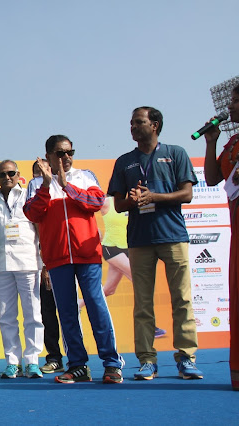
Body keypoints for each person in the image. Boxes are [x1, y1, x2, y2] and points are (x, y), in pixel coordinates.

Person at [108, 106, 202, 381]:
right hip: (139, 240)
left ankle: (186, 357)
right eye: (131, 123)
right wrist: (135, 200)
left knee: (182, 299)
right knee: (143, 303)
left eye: (139, 122)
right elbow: (118, 203)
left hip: (173, 236)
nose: (133, 127)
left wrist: (155, 197)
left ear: (155, 125)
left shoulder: (176, 153)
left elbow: (187, 194)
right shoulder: (125, 161)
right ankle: (147, 360)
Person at [25, 135, 123, 384]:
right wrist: (48, 185)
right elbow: (32, 213)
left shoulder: (85, 176)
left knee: (96, 306)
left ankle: (111, 363)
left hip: (87, 254)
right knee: (67, 312)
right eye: (60, 153)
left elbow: (98, 202)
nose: (66, 157)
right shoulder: (36, 183)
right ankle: (78, 365)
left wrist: (67, 185)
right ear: (47, 156)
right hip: (57, 257)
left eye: (69, 152)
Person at [0, 160, 44, 378]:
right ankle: (12, 361)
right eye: (2, 174)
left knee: (33, 314)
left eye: (11, 173)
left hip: (28, 263)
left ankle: (32, 360)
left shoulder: (29, 199)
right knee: (6, 317)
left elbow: (41, 232)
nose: (7, 177)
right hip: (1, 265)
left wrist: (46, 263)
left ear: (18, 175)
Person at [78, 196, 167, 338]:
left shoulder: (136, 200)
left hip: (128, 247)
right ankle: (150, 326)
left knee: (109, 289)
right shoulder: (108, 202)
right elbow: (85, 213)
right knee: (139, 280)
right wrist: (93, 233)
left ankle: (79, 304)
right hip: (111, 248)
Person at [203, 85, 239, 391]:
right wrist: (212, 143)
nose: (232, 107)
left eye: (236, 102)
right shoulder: (232, 144)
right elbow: (213, 178)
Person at [32, 160, 65, 374]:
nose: (42, 175)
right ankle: (54, 356)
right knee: (47, 313)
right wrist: (43, 265)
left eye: (45, 171)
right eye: (37, 173)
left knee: (69, 312)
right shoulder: (32, 199)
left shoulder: (64, 192)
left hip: (66, 260)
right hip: (43, 265)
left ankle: (79, 359)